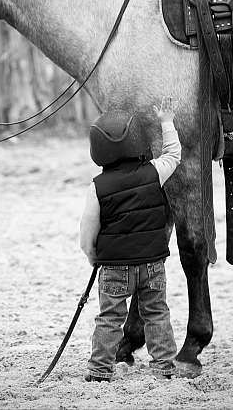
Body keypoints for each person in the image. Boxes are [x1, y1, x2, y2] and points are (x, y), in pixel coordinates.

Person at [79, 97, 181, 382]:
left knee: (110, 318)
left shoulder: (98, 187)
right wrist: (167, 121)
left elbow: (87, 233)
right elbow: (173, 155)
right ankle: (164, 367)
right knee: (157, 313)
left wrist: (92, 256)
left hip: (114, 267)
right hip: (153, 265)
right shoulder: (154, 172)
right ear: (137, 140)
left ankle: (100, 370)